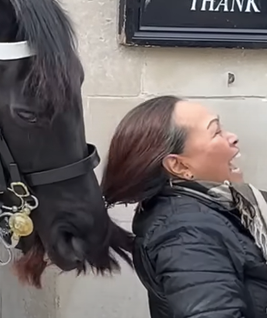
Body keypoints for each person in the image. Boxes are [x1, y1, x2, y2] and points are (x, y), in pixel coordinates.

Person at [100, 95, 267, 318]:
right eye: (216, 132)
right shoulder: (188, 235)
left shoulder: (218, 210)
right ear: (179, 165)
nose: (232, 138)